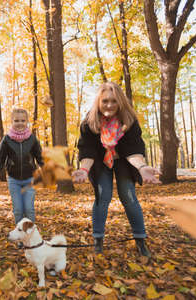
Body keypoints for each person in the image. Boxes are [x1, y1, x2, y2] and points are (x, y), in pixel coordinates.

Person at [72, 82, 161, 257]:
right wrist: (84, 170)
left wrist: (142, 167)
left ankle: (140, 239)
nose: (109, 105)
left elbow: (133, 149)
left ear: (120, 102)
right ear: (99, 101)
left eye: (114, 101)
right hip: (100, 161)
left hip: (124, 162)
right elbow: (87, 150)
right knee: (102, 195)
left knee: (128, 195)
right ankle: (98, 239)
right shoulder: (89, 122)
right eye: (105, 101)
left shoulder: (129, 120)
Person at [0, 108, 44, 225]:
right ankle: (20, 239)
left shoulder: (32, 139)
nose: (20, 123)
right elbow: (0, 159)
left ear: (27, 122)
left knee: (29, 210)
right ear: (12, 122)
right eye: (16, 120)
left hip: (30, 179)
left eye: (23, 120)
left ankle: (31, 238)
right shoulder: (7, 139)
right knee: (18, 210)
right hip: (14, 180)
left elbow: (40, 157)